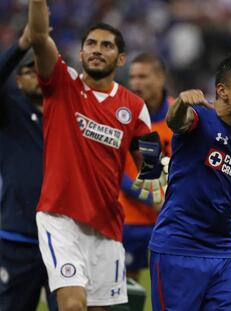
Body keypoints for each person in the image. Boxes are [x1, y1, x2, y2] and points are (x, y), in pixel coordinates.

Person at [28, 0, 156, 309]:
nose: (97, 49)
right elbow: (38, 38)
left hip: (107, 227)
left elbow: (151, 171)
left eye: (107, 45)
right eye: (91, 44)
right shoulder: (62, 84)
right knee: (73, 305)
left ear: (121, 58)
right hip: (59, 218)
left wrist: (160, 186)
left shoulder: (135, 108)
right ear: (81, 52)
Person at [149, 51, 231, 311]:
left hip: (223, 251)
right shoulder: (200, 117)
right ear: (222, 91)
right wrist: (180, 102)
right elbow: (176, 121)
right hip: (178, 247)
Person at [0, 27, 57, 311]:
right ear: (18, 82)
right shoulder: (9, 111)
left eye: (40, 69)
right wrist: (21, 45)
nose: (36, 74)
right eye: (28, 71)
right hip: (18, 238)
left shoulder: (68, 114)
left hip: (63, 237)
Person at [120, 53, 174, 281]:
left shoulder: (180, 115)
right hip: (130, 217)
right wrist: (151, 198)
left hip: (172, 216)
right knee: (128, 290)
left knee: (176, 284)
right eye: (133, 77)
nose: (136, 83)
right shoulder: (122, 115)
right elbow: (116, 174)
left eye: (143, 76)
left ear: (161, 77)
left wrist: (168, 201)